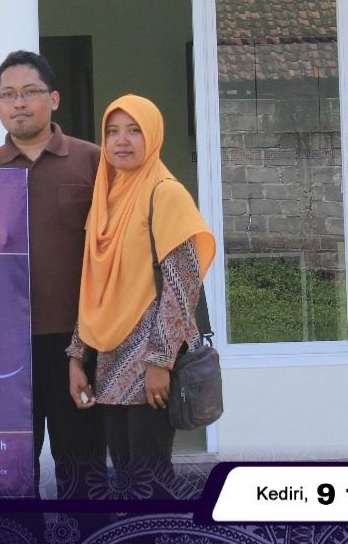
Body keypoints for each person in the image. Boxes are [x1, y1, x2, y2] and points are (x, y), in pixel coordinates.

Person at [0, 50, 107, 499]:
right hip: (3, 347)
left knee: (83, 469)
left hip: (77, 343)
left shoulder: (93, 162)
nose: (19, 103)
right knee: (8, 474)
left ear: (54, 99)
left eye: (30, 92)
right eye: (8, 95)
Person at [66, 94, 215, 499]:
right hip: (110, 359)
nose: (122, 140)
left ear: (153, 136)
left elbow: (183, 286)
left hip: (150, 355)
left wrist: (161, 362)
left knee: (151, 476)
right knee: (127, 475)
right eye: (112, 131)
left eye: (134, 130)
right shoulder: (106, 199)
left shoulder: (165, 194)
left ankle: (161, 528)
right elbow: (94, 286)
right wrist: (77, 357)